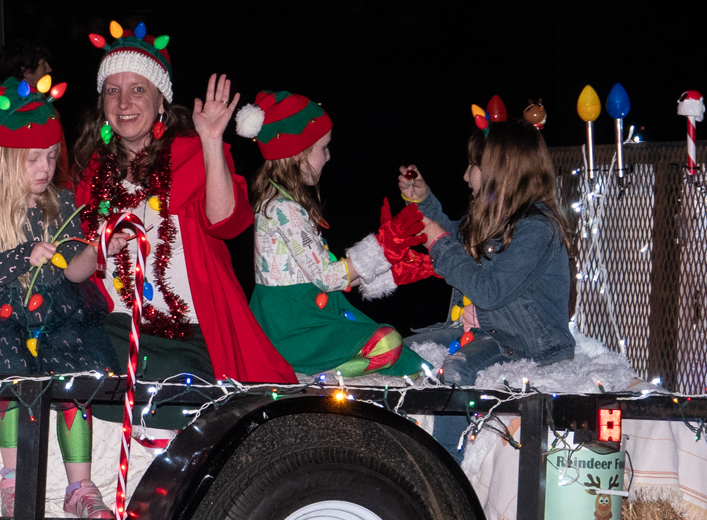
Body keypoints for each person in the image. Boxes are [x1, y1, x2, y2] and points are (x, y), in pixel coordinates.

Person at [72, 22, 294, 430]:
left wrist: (211, 140)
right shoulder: (91, 175)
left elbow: (226, 221)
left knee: (179, 385)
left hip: (186, 335)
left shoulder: (191, 155)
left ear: (161, 102)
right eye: (112, 91)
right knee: (71, 358)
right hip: (116, 329)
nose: (124, 102)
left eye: (138, 89)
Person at [0, 76, 118, 518]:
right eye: (33, 158)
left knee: (74, 377)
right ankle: (14, 481)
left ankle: (80, 488)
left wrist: (97, 250)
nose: (45, 167)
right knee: (9, 374)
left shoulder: (61, 203)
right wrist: (23, 255)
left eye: (52, 157)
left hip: (55, 310)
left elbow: (74, 269)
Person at [397, 119, 576, 451]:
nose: (465, 176)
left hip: (530, 344)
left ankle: (448, 471)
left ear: (500, 172)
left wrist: (438, 244)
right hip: (488, 331)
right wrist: (424, 202)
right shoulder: (496, 220)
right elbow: (457, 238)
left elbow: (489, 291)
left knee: (455, 370)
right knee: (399, 349)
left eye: (473, 166)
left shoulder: (537, 229)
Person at [242, 91, 423, 378]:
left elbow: (318, 273)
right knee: (387, 343)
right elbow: (326, 277)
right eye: (323, 148)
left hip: (307, 312)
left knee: (407, 359)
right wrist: (382, 248)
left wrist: (387, 264)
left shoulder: (281, 203)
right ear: (300, 152)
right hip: (293, 324)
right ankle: (321, 372)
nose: (328, 156)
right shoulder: (284, 209)